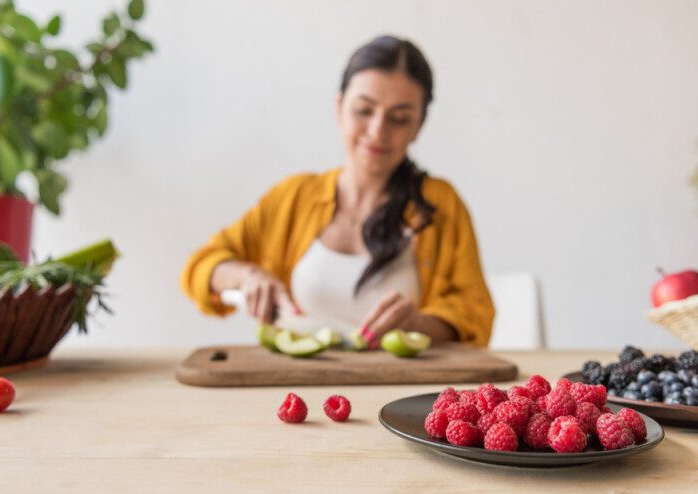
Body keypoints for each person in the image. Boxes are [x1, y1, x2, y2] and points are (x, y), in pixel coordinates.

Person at [181, 35, 494, 348]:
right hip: (296, 388)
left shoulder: (441, 205)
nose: (377, 132)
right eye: (363, 110)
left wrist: (418, 324)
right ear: (339, 107)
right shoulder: (293, 197)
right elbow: (201, 267)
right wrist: (246, 277)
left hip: (403, 390)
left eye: (399, 118)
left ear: (419, 126)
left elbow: (477, 314)